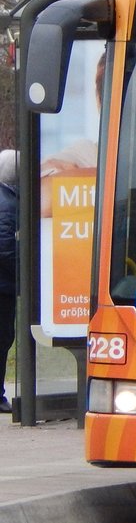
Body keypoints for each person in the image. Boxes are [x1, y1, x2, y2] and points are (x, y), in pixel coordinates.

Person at [0, 149, 18, 413]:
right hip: (2, 286)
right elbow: (5, 246)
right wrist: (25, 274)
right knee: (3, 337)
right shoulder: (8, 203)